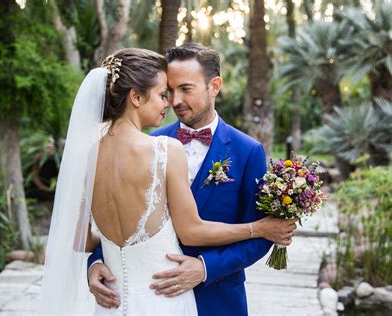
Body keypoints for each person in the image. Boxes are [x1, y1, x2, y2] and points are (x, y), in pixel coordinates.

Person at [41, 47, 296, 315]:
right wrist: (96, 264)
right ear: (137, 96)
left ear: (214, 86)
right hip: (154, 298)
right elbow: (123, 226)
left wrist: (205, 268)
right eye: (167, 91)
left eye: (185, 89)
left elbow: (264, 237)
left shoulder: (248, 151)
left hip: (218, 300)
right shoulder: (157, 144)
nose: (174, 101)